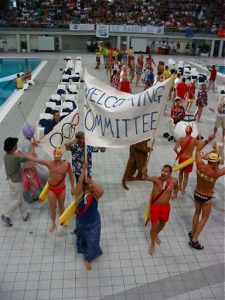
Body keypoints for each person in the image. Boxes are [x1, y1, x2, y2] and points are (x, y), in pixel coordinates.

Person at [18, 147, 75, 233]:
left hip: (61, 189)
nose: (56, 156)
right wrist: (24, 154)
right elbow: (35, 159)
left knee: (61, 205)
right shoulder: (49, 163)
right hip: (52, 189)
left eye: (58, 155)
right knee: (52, 207)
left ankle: (62, 221)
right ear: (53, 155)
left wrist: (72, 187)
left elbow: (71, 175)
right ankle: (53, 224)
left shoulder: (67, 165)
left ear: (61, 155)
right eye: (55, 155)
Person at [189, 148, 225, 250]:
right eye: (217, 163)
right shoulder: (216, 173)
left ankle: (193, 233)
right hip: (206, 198)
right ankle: (194, 240)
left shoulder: (200, 166)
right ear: (215, 163)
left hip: (197, 194)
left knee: (196, 213)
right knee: (204, 218)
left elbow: (197, 153)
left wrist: (206, 150)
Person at [143, 165, 178, 255]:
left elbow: (176, 187)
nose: (163, 173)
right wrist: (144, 172)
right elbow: (145, 178)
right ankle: (152, 243)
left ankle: (155, 235)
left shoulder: (174, 181)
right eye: (162, 171)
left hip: (166, 207)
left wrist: (175, 194)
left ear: (170, 173)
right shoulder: (156, 179)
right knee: (154, 227)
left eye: (166, 171)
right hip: (155, 207)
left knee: (162, 224)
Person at [74, 164, 104, 270]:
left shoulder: (95, 194)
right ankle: (83, 249)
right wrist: (83, 170)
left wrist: (91, 181)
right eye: (88, 183)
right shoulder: (78, 194)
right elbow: (78, 183)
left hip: (93, 223)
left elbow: (101, 191)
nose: (92, 185)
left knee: (92, 241)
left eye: (92, 183)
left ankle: (88, 258)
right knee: (82, 239)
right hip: (81, 222)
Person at [173, 127, 213, 194]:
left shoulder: (181, 139)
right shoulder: (194, 140)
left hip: (182, 158)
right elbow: (200, 147)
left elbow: (174, 149)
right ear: (191, 132)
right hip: (189, 160)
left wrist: (178, 154)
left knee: (180, 173)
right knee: (186, 175)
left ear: (185, 131)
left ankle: (179, 186)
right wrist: (199, 137)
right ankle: (183, 190)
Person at [2, 137, 30, 227]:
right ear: (13, 147)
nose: (16, 145)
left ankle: (24, 215)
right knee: (17, 200)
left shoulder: (6, 155)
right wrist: (33, 147)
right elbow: (28, 158)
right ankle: (6, 215)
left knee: (20, 197)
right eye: (15, 144)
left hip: (10, 179)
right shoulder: (15, 157)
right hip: (16, 181)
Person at [21, 124, 46, 202]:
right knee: (34, 181)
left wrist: (33, 143)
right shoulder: (27, 144)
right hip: (30, 165)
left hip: (31, 164)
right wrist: (34, 146)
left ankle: (36, 193)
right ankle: (35, 196)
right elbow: (28, 156)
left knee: (36, 178)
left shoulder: (26, 141)